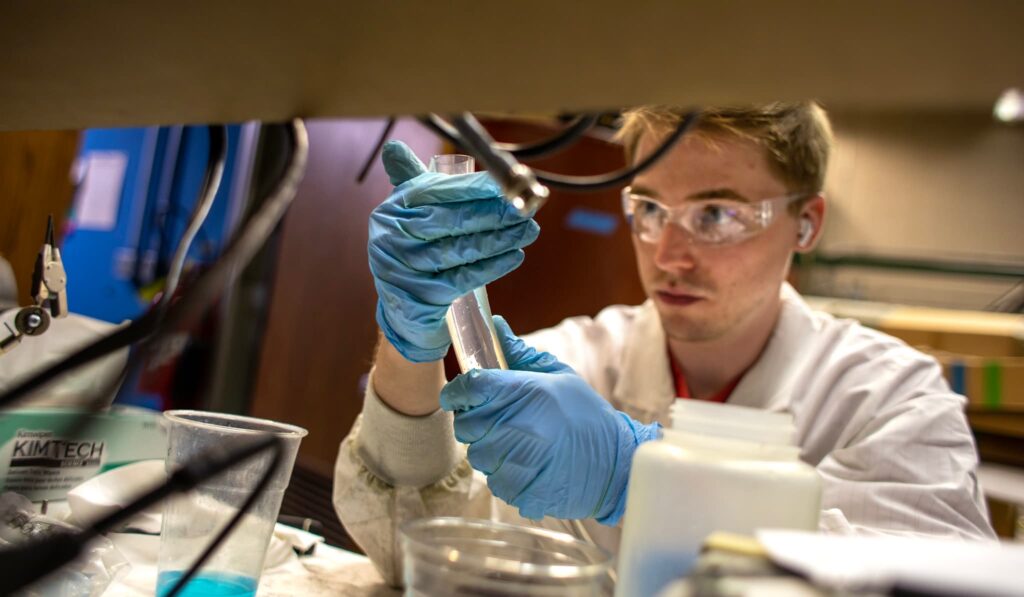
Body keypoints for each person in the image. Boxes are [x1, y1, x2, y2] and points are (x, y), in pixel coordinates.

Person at [333, 103, 995, 585]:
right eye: (649, 209)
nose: (669, 253)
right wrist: (412, 342)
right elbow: (401, 549)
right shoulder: (578, 361)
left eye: (717, 213)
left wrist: (638, 479)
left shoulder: (890, 396)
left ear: (807, 222)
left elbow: (934, 577)